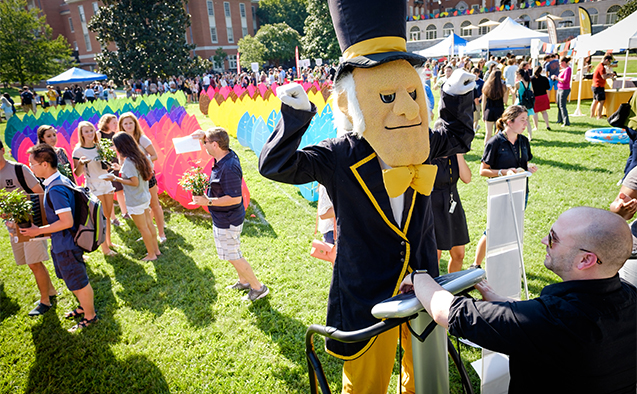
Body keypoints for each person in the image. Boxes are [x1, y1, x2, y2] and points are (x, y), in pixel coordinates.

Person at [258, 1, 476, 388]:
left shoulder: (421, 142)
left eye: (411, 94)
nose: (407, 109)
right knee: (365, 379)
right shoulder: (340, 154)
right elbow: (278, 166)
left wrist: (455, 97)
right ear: (350, 101)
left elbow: (458, 136)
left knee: (424, 367)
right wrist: (295, 116)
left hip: (423, 276)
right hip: (367, 287)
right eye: (388, 97)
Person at [401, 206, 636, 394]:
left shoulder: (556, 320)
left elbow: (451, 313)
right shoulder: (629, 298)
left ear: (585, 260)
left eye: (553, 238)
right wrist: (502, 303)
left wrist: (418, 276)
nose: (544, 240)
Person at [21, 144, 98, 332]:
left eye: (33, 163)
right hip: (62, 243)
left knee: (79, 281)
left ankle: (90, 316)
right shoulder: (57, 181)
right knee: (71, 278)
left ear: (45, 164)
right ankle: (83, 307)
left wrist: (36, 231)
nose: (30, 167)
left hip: (66, 244)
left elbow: (66, 221)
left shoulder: (55, 188)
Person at [190, 127, 269, 302]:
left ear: (215, 145)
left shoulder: (229, 167)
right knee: (232, 251)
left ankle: (258, 287)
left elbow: (234, 198)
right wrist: (204, 136)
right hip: (224, 217)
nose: (204, 146)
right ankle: (243, 281)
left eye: (206, 143)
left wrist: (207, 201)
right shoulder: (224, 155)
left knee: (233, 255)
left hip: (228, 218)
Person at [473, 105, 538, 269]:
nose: (526, 124)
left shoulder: (523, 141)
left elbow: (523, 163)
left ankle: (508, 264)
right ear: (510, 122)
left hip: (521, 191)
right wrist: (504, 172)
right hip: (500, 192)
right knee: (493, 229)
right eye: (522, 120)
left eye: (527, 120)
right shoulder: (494, 143)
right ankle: (475, 265)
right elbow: (483, 171)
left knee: (513, 229)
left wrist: (528, 168)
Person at [0, 141, 58, 316]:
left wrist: (33, 219)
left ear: (2, 150)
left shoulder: (19, 169)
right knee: (32, 263)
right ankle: (51, 291)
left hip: (31, 224)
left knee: (34, 262)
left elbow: (40, 193)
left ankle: (44, 302)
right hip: (11, 225)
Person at [102, 133, 160, 261]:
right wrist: (120, 168)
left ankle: (151, 255)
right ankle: (156, 250)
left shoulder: (129, 162)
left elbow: (134, 182)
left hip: (135, 200)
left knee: (143, 228)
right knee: (149, 224)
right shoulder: (140, 156)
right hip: (144, 196)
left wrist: (115, 178)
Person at [118, 112, 167, 242]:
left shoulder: (142, 139)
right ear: (121, 126)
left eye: (131, 123)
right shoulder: (122, 141)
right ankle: (148, 232)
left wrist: (140, 161)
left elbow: (155, 156)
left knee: (154, 204)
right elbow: (122, 161)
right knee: (143, 207)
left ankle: (161, 234)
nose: (128, 126)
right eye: (125, 123)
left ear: (135, 124)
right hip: (133, 179)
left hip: (146, 175)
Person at [72, 121, 117, 256]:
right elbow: (77, 173)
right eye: (86, 131)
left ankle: (109, 242)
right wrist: (80, 163)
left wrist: (109, 164)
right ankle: (105, 249)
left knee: (108, 215)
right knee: (101, 217)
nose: (90, 133)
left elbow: (106, 166)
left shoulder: (100, 147)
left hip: (106, 183)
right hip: (93, 185)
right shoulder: (78, 151)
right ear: (82, 134)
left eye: (91, 130)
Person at [430, 154, 471, 273]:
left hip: (453, 206)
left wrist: (459, 154)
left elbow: (467, 178)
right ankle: (434, 289)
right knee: (434, 257)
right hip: (432, 206)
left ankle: (453, 288)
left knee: (459, 255)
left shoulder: (454, 155)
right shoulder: (429, 154)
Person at [98, 114, 128, 222]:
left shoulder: (115, 135)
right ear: (106, 123)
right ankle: (113, 218)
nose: (116, 125)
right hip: (105, 165)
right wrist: (113, 147)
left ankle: (125, 212)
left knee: (120, 190)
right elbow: (99, 150)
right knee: (109, 192)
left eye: (116, 123)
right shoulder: (99, 134)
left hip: (115, 163)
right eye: (113, 123)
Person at [481, 69, 508, 146]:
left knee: (488, 133)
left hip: (489, 110)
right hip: (499, 110)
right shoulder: (503, 87)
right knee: (499, 132)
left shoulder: (486, 86)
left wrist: (483, 113)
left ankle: (486, 151)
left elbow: (484, 102)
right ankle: (499, 150)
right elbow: (505, 101)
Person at [590, 55, 615, 119]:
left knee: (595, 101)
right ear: (606, 60)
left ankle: (592, 115)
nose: (609, 63)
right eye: (609, 62)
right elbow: (603, 77)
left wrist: (609, 74)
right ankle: (599, 116)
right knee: (601, 101)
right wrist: (610, 75)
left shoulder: (598, 65)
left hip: (594, 85)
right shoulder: (602, 67)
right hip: (599, 86)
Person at [514, 68, 534, 140]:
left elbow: (513, 92)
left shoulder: (518, 83)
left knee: (518, 121)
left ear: (519, 75)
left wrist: (509, 88)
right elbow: (532, 92)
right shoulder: (529, 83)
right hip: (527, 104)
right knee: (527, 121)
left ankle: (518, 136)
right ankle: (530, 136)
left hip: (520, 103)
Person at [530, 65, 551, 131]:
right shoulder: (544, 78)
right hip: (543, 96)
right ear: (541, 71)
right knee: (544, 111)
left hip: (535, 97)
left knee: (535, 112)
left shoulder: (531, 79)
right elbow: (548, 87)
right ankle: (547, 125)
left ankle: (536, 127)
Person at [555, 56, 572, 127]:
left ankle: (566, 121)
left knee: (562, 106)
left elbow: (565, 80)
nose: (559, 64)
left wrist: (557, 78)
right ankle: (560, 119)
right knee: (559, 105)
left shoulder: (568, 69)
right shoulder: (564, 69)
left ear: (564, 62)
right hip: (560, 88)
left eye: (560, 63)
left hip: (564, 89)